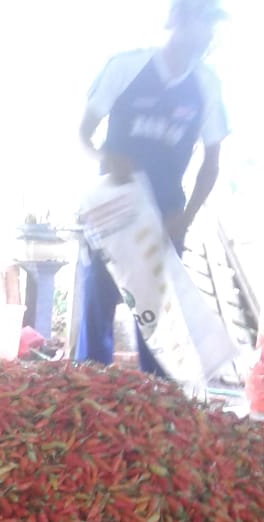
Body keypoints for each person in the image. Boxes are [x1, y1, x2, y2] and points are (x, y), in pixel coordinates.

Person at [75, 0, 230, 374]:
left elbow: (211, 165)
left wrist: (185, 218)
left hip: (164, 216)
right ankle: (87, 391)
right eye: (202, 21)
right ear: (177, 18)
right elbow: (82, 135)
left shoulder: (206, 85)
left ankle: (155, 401)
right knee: (97, 306)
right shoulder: (126, 66)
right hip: (113, 209)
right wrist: (104, 156)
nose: (207, 33)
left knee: (159, 327)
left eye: (212, 25)